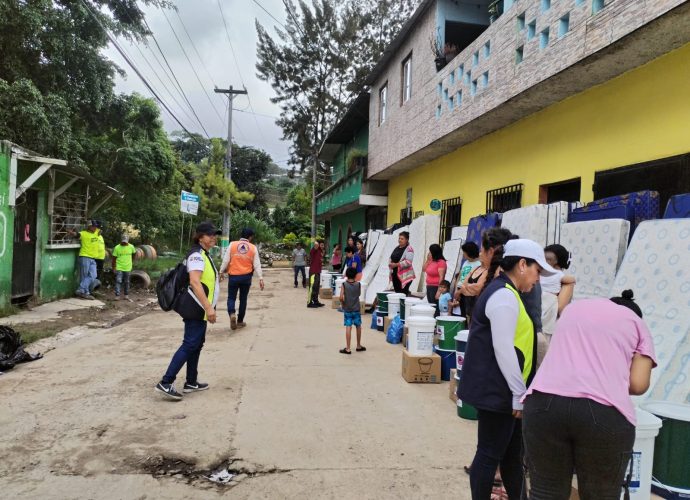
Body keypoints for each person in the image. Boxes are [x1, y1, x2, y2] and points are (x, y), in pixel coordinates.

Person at [522, 290, 656, 500]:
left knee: (545, 492)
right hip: (604, 413)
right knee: (600, 495)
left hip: (542, 404)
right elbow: (638, 384)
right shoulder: (638, 324)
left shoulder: (573, 310)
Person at [459, 238, 557, 500]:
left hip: (507, 392)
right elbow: (503, 348)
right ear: (522, 265)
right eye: (538, 271)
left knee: (513, 456)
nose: (538, 279)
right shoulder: (503, 296)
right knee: (489, 455)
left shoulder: (509, 293)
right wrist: (516, 392)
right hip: (498, 392)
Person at [155, 221, 221, 401]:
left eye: (215, 234)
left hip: (199, 308)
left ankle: (191, 381)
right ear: (201, 237)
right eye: (210, 235)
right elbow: (195, 282)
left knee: (197, 343)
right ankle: (166, 382)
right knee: (190, 343)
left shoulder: (203, 254)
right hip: (196, 307)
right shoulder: (197, 256)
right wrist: (208, 307)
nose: (214, 237)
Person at [220, 228, 264, 331]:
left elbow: (226, 260)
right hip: (246, 277)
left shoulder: (232, 244)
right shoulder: (253, 248)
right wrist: (261, 278)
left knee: (231, 297)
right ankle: (240, 321)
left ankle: (232, 313)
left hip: (233, 276)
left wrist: (221, 271)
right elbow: (257, 264)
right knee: (243, 299)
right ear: (250, 237)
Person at [540, 244, 576, 344]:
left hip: (546, 315)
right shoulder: (540, 273)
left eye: (548, 260)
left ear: (557, 264)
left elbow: (560, 308)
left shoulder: (558, 276)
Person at [69, 219, 102, 300]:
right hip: (85, 256)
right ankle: (85, 293)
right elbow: (77, 235)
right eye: (93, 226)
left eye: (95, 226)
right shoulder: (83, 234)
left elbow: (101, 229)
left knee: (93, 275)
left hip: (93, 258)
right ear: (89, 226)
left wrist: (99, 229)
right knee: (84, 276)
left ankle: (80, 289)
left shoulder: (97, 232)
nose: (95, 228)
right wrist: (72, 233)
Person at [339, 267, 366, 354]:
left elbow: (340, 297)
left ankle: (348, 348)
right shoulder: (358, 284)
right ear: (355, 275)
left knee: (348, 326)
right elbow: (359, 294)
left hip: (347, 309)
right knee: (358, 326)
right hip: (356, 309)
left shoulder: (344, 284)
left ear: (346, 275)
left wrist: (343, 304)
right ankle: (358, 345)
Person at [452, 242, 481, 316]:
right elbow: (460, 276)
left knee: (468, 313)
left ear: (470, 252)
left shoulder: (479, 264)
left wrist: (460, 291)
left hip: (468, 292)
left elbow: (473, 281)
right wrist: (456, 290)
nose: (463, 254)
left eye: (464, 252)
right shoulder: (466, 262)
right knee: (462, 314)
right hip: (459, 290)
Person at [111, 234, 136, 301]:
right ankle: (117, 295)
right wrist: (113, 267)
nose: (124, 243)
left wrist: (131, 262)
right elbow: (113, 259)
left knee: (127, 281)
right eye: (123, 241)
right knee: (118, 281)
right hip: (119, 267)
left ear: (128, 241)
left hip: (128, 267)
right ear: (121, 240)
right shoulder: (117, 248)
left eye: (125, 241)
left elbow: (134, 254)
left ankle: (126, 295)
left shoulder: (131, 247)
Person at [423, 243, 447, 310]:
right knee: (431, 305)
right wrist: (428, 260)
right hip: (429, 286)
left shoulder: (441, 262)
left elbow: (441, 277)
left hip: (436, 286)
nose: (429, 253)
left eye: (430, 251)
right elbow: (424, 269)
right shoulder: (431, 261)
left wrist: (439, 291)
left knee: (435, 305)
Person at [307, 240, 325, 308]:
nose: (322, 246)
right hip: (313, 272)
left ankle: (316, 301)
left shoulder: (320, 251)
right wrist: (316, 244)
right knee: (312, 287)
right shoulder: (313, 250)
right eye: (321, 245)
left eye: (323, 245)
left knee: (316, 287)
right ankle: (309, 302)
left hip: (318, 271)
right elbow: (315, 247)